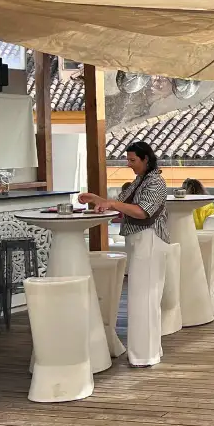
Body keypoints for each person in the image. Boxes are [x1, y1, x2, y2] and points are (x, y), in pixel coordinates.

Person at [78, 141, 168, 367]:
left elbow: (141, 211)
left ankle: (144, 355)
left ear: (146, 159)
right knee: (145, 299)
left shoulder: (155, 182)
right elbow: (120, 205)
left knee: (143, 299)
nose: (129, 164)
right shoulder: (142, 180)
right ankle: (150, 351)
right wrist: (96, 200)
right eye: (128, 160)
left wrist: (111, 203)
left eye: (132, 160)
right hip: (140, 240)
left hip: (149, 239)